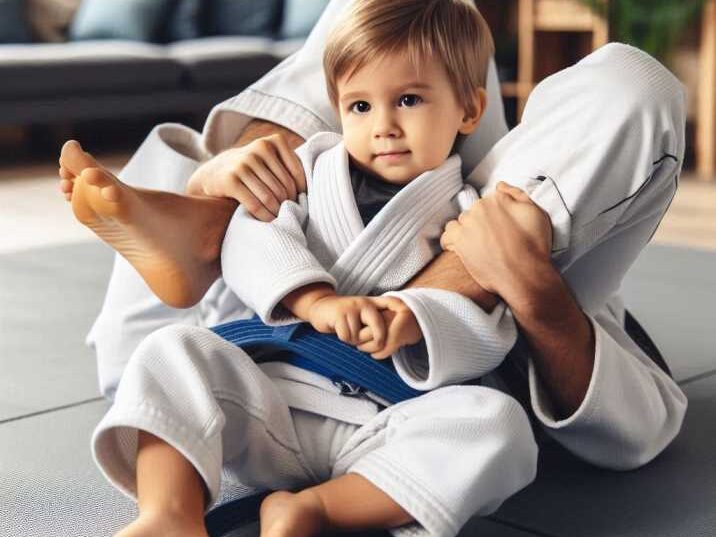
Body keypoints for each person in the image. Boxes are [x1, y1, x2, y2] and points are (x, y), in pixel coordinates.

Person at [58, 0, 688, 535]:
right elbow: (267, 241)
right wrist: (311, 299)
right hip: (264, 374)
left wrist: (415, 317)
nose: (382, 127)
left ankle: (313, 511)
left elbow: (485, 336)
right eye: (357, 108)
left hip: (387, 421)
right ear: (338, 111)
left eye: (406, 102)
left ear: (468, 115)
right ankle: (169, 512)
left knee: (494, 428)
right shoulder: (319, 171)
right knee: (173, 352)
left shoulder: (470, 212)